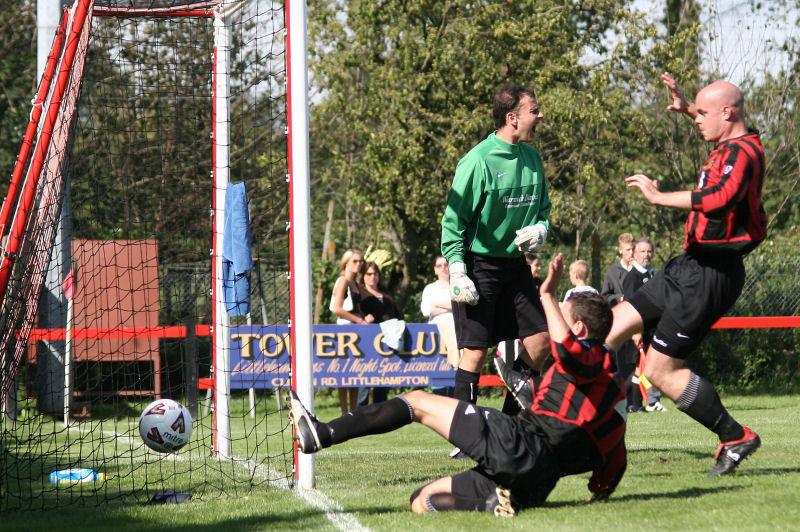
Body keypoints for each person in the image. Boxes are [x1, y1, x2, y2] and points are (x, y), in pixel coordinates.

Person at [289, 253, 626, 516]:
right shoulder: (613, 395)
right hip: (538, 484)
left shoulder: (591, 358)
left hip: (518, 444)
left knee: (416, 401)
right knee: (421, 501)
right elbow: (613, 465)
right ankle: (491, 503)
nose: (551, 317)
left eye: (561, 315)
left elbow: (568, 352)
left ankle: (323, 433)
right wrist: (599, 495)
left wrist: (549, 294)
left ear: (579, 329)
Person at [607, 72, 766, 476]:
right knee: (610, 328)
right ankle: (558, 416)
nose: (698, 119)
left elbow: (720, 198)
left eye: (704, 112)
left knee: (659, 371)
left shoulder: (744, 153)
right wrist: (686, 107)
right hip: (687, 266)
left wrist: (659, 197)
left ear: (728, 113)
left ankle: (734, 435)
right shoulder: (727, 142)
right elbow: (710, 118)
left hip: (711, 276)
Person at [440, 83, 552, 429]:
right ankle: (465, 432)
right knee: (475, 351)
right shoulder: (477, 160)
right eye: (534, 110)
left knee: (541, 341)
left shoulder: (533, 158)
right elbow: (452, 223)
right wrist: (457, 272)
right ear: (512, 118)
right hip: (478, 266)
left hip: (516, 266)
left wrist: (541, 230)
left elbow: (544, 210)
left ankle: (508, 422)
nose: (540, 115)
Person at [619, 237, 664, 412]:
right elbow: (630, 304)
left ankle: (640, 404)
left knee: (646, 368)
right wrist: (635, 331)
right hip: (639, 329)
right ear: (635, 255)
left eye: (649, 251)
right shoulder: (632, 277)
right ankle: (633, 403)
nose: (646, 255)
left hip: (652, 329)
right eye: (642, 252)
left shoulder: (651, 274)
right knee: (638, 368)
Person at [329, 249, 374, 414]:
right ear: (346, 263)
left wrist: (364, 317)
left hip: (356, 331)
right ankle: (343, 412)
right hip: (345, 331)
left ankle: (353, 412)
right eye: (355, 261)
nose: (359, 264)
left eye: (360, 261)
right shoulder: (343, 281)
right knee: (344, 374)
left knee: (355, 373)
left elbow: (354, 308)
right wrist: (360, 320)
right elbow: (336, 308)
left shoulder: (355, 283)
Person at [357, 261, 403, 405]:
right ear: (363, 276)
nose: (372, 277)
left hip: (386, 341)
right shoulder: (359, 292)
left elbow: (395, 312)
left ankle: (380, 414)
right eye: (369, 274)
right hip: (366, 341)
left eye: (375, 273)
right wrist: (363, 319)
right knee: (364, 381)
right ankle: (360, 415)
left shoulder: (385, 291)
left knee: (382, 381)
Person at [420, 256, 457, 396]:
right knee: (438, 373)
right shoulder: (429, 289)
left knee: (455, 371)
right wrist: (451, 305)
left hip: (455, 333)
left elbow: (460, 307)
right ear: (435, 269)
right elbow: (426, 311)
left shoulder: (457, 286)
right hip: (436, 334)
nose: (443, 268)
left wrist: (436, 304)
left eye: (446, 264)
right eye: (439, 265)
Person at [600, 233, 634, 307]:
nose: (631, 252)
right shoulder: (612, 271)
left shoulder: (640, 270)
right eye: (628, 250)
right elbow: (605, 297)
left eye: (633, 249)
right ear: (620, 250)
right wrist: (620, 298)